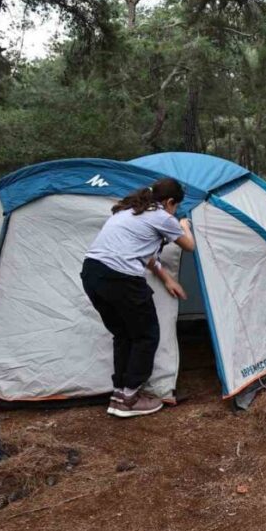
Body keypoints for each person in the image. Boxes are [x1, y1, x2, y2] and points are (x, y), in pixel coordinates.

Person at [81, 178, 195, 418]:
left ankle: (119, 393)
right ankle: (130, 399)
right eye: (175, 207)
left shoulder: (129, 211)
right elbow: (189, 246)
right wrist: (184, 225)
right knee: (146, 335)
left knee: (123, 334)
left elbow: (143, 254)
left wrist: (167, 279)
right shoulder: (163, 216)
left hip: (92, 273)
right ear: (170, 202)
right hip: (121, 278)